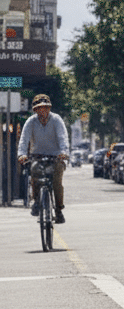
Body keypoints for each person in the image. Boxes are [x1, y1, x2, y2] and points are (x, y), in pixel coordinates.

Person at [18, 94, 70, 224]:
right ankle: (36, 201)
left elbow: (63, 137)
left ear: (49, 108)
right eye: (39, 108)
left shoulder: (56, 120)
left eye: (45, 108)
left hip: (56, 156)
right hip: (37, 155)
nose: (42, 111)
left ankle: (58, 210)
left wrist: (63, 152)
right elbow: (24, 140)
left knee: (56, 182)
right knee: (35, 173)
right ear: (35, 110)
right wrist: (21, 154)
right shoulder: (31, 122)